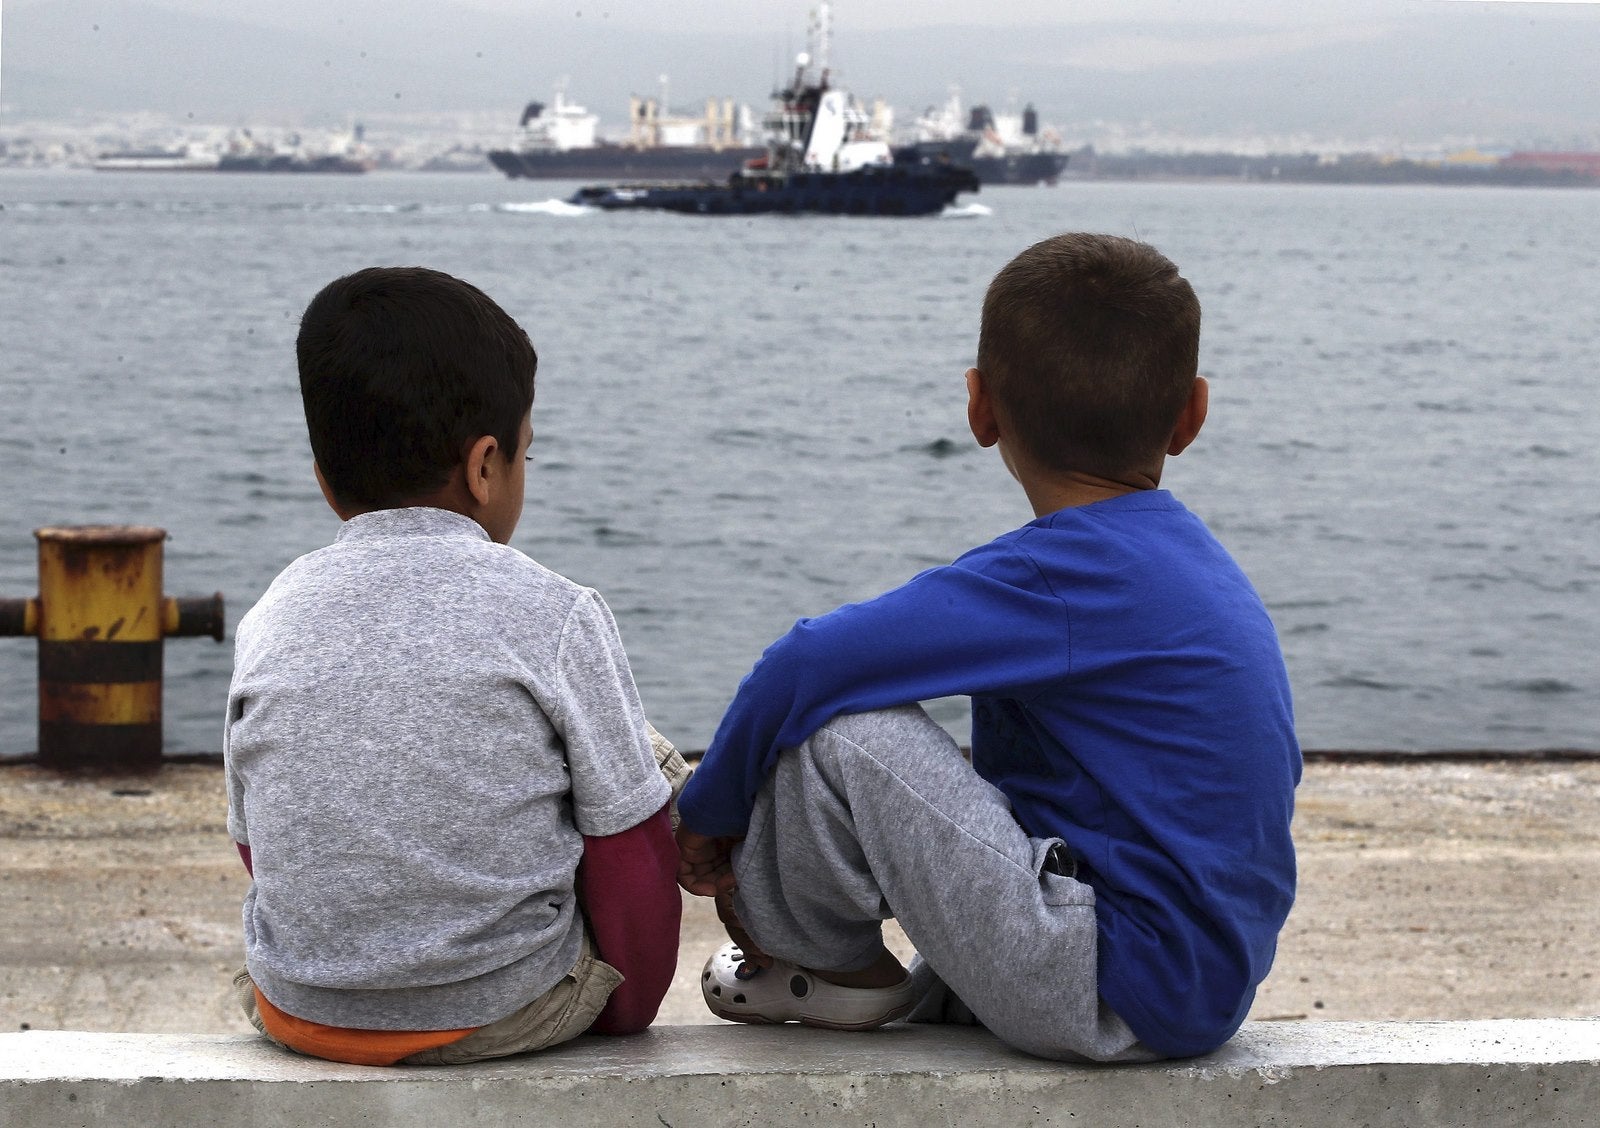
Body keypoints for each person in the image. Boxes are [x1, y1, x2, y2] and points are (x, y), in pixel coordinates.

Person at [676, 233, 1300, 1063]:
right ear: (1192, 414)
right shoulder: (1190, 567)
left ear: (979, 408)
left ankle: (823, 969)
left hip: (1118, 982)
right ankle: (939, 983)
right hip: (1199, 977)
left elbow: (806, 661)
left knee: (843, 728)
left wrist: (707, 816)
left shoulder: (1063, 576)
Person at [224, 266, 686, 1066]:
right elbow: (630, 851)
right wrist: (624, 1007)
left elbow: (258, 847)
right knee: (635, 760)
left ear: (326, 483)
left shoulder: (271, 616)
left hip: (298, 1013)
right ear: (484, 466)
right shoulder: (556, 610)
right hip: (501, 1012)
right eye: (526, 457)